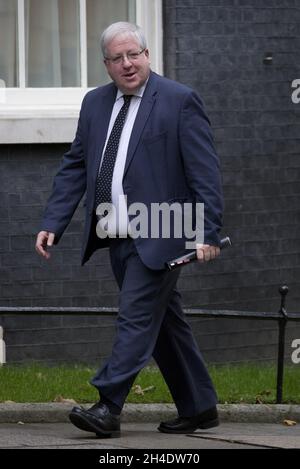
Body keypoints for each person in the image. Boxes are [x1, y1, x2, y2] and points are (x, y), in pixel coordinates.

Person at [35, 21, 223, 438]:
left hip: (165, 230)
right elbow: (75, 165)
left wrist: (208, 231)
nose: (127, 64)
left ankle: (108, 406)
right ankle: (200, 406)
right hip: (115, 233)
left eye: (133, 54)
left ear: (147, 55)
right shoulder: (95, 103)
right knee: (164, 322)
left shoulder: (179, 101)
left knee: (135, 317)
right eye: (117, 58)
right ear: (106, 64)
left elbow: (204, 172)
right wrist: (53, 222)